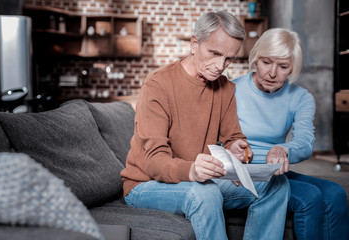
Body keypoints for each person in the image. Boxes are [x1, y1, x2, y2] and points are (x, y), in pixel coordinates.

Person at [120, 11, 290, 240]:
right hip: (146, 185)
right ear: (194, 44)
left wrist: (239, 148)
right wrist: (191, 170)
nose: (221, 65)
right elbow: (154, 162)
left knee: (277, 184)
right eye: (214, 53)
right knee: (206, 193)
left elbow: (234, 138)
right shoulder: (158, 84)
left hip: (200, 179)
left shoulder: (226, 88)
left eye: (228, 58)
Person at [232, 28, 349, 240]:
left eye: (283, 66)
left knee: (335, 193)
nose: (273, 73)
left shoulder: (301, 97)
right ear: (256, 59)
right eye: (266, 62)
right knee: (310, 196)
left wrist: (282, 149)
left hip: (275, 172)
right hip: (244, 173)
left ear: (292, 68)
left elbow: (305, 142)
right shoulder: (232, 90)